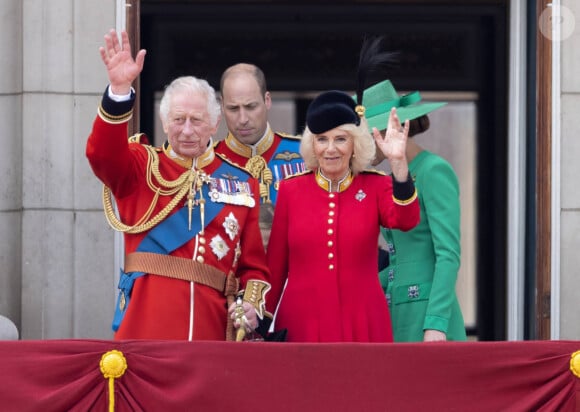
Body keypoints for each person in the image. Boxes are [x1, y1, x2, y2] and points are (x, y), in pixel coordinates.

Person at [86, 29, 272, 341]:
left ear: (214, 124)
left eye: (196, 121)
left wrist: (250, 305)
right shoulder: (140, 166)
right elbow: (100, 154)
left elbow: (254, 268)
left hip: (211, 330)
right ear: (163, 122)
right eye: (178, 119)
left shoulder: (242, 182)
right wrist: (119, 91)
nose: (186, 131)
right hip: (145, 326)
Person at [265, 88, 421, 343]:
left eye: (340, 139)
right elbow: (275, 267)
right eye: (322, 139)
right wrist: (262, 322)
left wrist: (398, 164)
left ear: (355, 144)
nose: (330, 149)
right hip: (302, 322)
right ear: (312, 145)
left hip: (363, 320)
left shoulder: (375, 186)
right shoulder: (291, 190)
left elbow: (406, 220)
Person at [363, 79, 467, 342]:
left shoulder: (433, 170)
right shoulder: (390, 180)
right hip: (396, 313)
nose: (361, 146)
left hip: (427, 316)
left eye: (366, 137)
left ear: (389, 130)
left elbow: (448, 254)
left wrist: (436, 323)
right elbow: (401, 260)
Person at [214, 63, 305, 247]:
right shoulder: (207, 161)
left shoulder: (304, 154)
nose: (243, 119)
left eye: (250, 106)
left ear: (267, 100)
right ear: (221, 106)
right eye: (233, 109)